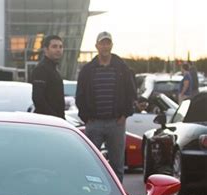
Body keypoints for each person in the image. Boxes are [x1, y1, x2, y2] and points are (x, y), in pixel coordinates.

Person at [75, 32, 136, 182]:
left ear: (112, 45)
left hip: (116, 123)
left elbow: (131, 92)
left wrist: (125, 114)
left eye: (107, 43)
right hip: (93, 123)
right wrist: (86, 117)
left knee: (117, 165)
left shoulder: (122, 68)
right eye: (102, 43)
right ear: (96, 46)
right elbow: (80, 95)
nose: (105, 46)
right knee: (90, 164)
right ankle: (91, 194)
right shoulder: (87, 70)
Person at [31, 35, 65, 119]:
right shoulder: (41, 69)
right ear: (46, 49)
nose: (58, 50)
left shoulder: (54, 69)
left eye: (60, 47)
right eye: (54, 47)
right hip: (47, 122)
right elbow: (38, 98)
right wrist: (54, 118)